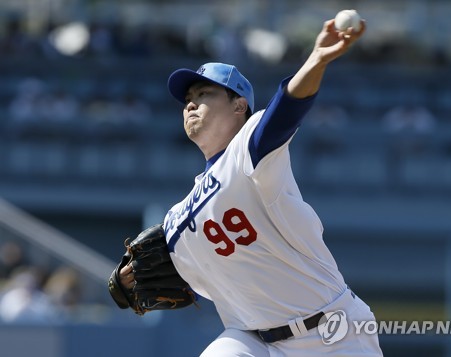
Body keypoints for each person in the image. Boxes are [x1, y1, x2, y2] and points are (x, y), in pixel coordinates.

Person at [120, 17, 383, 356]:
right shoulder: (175, 219)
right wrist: (127, 279)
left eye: (204, 93)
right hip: (254, 340)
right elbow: (178, 277)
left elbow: (287, 108)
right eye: (187, 98)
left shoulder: (250, 151)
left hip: (334, 334)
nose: (190, 104)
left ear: (239, 106)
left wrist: (317, 59)